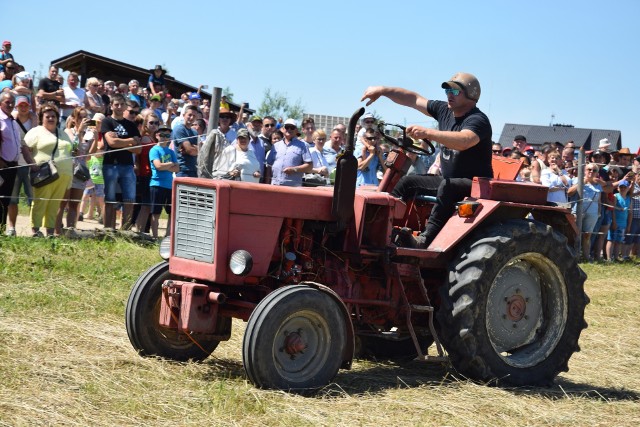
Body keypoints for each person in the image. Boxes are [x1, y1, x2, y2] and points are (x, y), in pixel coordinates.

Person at [361, 72, 492, 248]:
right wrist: (383, 90)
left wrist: (428, 133)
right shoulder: (445, 110)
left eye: (454, 91)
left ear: (471, 95)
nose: (449, 94)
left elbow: (465, 140)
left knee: (447, 185)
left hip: (475, 186)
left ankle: (425, 240)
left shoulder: (478, 120)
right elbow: (413, 99)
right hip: (449, 180)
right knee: (407, 182)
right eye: (447, 90)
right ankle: (377, 229)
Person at [24, 105, 74, 237]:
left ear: (58, 118)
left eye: (54, 116)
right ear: (42, 118)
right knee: (41, 201)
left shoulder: (62, 132)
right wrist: (32, 164)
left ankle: (50, 230)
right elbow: (24, 147)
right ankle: (36, 230)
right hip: (44, 174)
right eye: (48, 116)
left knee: (55, 203)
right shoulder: (36, 131)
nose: (51, 118)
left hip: (64, 174)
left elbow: (69, 150)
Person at [100, 93, 141, 230]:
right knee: (110, 199)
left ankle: (126, 231)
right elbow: (111, 143)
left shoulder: (131, 125)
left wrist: (120, 142)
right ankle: (108, 229)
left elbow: (138, 149)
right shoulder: (107, 122)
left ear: (125, 106)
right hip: (110, 164)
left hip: (128, 166)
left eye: (121, 104)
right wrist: (130, 141)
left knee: (129, 199)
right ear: (111, 106)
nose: (119, 107)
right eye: (116, 104)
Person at [56, 107, 91, 234]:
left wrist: (96, 134)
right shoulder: (67, 131)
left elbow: (89, 154)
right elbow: (72, 149)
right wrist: (79, 132)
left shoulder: (89, 134)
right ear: (75, 118)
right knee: (62, 202)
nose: (84, 120)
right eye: (81, 117)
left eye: (86, 117)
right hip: (68, 169)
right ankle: (57, 231)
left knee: (74, 204)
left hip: (80, 171)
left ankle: (71, 230)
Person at [5, 96, 37, 235]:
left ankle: (34, 230)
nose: (23, 108)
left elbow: (36, 137)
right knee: (13, 199)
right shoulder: (11, 119)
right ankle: (12, 228)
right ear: (17, 107)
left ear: (29, 106)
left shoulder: (34, 120)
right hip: (15, 163)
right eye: (20, 105)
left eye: (25, 105)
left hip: (30, 164)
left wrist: (35, 119)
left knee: (33, 199)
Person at [568, 163, 603, 261]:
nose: (591, 172)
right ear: (585, 171)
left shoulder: (597, 185)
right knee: (575, 234)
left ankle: (586, 257)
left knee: (587, 235)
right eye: (589, 169)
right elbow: (569, 192)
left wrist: (598, 212)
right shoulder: (576, 180)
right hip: (578, 211)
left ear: (597, 173)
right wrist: (582, 182)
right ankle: (574, 256)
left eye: (594, 170)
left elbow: (599, 200)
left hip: (593, 213)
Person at [148, 125, 179, 238]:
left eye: (167, 135)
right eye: (162, 135)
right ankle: (155, 237)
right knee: (156, 212)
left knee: (171, 212)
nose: (165, 137)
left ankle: (167, 236)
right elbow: (158, 166)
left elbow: (177, 168)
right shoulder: (154, 150)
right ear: (157, 135)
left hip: (169, 185)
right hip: (157, 184)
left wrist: (167, 166)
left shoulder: (171, 152)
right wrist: (170, 164)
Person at [265, 119, 312, 186]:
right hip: (275, 185)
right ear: (283, 129)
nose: (289, 129)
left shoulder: (303, 145)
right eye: (287, 127)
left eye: (292, 127)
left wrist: (294, 169)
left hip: (292, 187)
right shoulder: (276, 145)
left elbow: (309, 166)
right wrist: (267, 184)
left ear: (296, 130)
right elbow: (269, 166)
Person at [607, 180, 632, 261]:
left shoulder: (629, 199)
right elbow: (613, 210)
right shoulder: (615, 196)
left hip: (623, 224)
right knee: (611, 240)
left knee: (619, 241)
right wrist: (614, 222)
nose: (623, 188)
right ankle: (609, 258)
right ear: (618, 188)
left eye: (625, 187)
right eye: (621, 187)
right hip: (615, 222)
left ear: (628, 188)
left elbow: (630, 213)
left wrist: (628, 226)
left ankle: (616, 257)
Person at [172, 105, 199, 177]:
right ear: (184, 115)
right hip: (183, 170)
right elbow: (190, 151)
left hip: (194, 169)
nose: (192, 117)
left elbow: (198, 150)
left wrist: (195, 149)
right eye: (189, 115)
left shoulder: (195, 132)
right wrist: (195, 148)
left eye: (194, 116)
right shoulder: (179, 129)